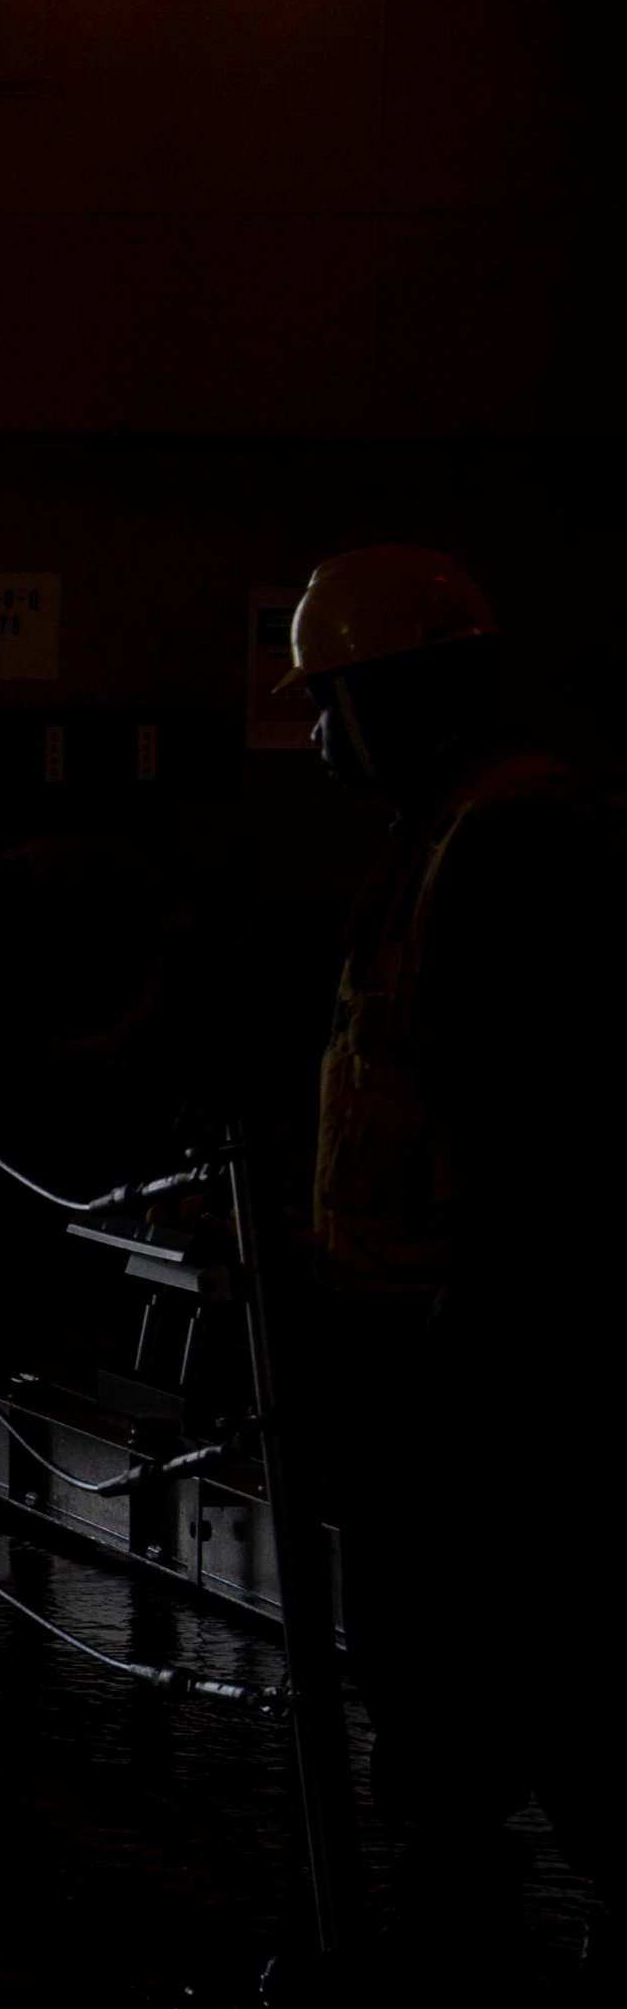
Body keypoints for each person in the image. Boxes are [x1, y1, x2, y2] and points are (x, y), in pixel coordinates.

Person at [281, 544, 620, 1898]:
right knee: (434, 1646)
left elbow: (547, 1123)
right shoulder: (436, 831)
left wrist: (468, 1328)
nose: (312, 734)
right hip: (417, 1322)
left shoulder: (510, 842)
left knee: (508, 1638)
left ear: (396, 693)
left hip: (471, 1340)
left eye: (328, 701)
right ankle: (455, 1891)